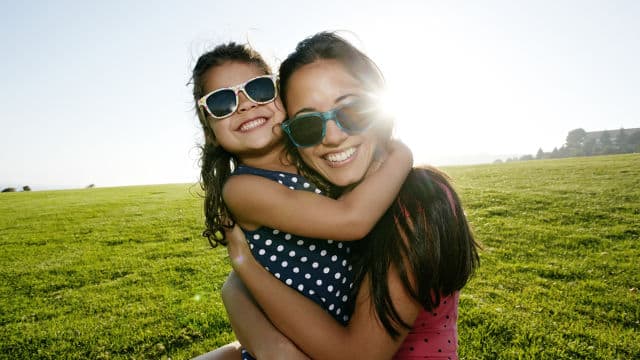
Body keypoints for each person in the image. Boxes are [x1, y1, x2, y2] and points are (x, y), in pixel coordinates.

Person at [224, 32, 480, 359]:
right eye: (307, 125)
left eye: (352, 110)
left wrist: (246, 271)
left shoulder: (419, 202)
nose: (332, 136)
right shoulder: (327, 200)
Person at [189, 42, 413, 359]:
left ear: (282, 98)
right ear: (209, 127)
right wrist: (402, 153)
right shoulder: (242, 189)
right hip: (299, 344)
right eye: (222, 101)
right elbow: (351, 220)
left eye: (259, 89)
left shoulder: (314, 158)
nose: (244, 105)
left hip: (339, 334)